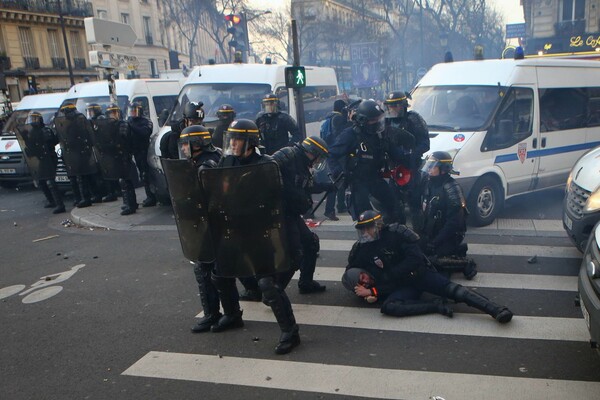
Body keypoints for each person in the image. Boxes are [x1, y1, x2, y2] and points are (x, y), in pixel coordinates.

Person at [211, 119, 301, 355]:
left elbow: (278, 201)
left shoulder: (266, 165)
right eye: (231, 139)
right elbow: (218, 192)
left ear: (251, 141)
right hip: (234, 229)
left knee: (267, 285)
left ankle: (290, 331)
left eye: (238, 139)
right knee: (220, 273)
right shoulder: (227, 160)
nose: (233, 144)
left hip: (259, 232)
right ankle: (232, 315)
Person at [342, 210, 512, 323]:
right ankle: (435, 305)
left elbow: (414, 259)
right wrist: (358, 284)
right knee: (389, 307)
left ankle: (495, 309)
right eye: (361, 230)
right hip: (401, 285)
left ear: (377, 226)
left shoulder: (396, 233)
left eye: (367, 229)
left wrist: (383, 281)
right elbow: (350, 270)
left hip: (419, 275)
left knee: (454, 291)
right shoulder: (363, 248)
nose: (364, 233)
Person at [177, 125, 223, 333]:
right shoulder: (211, 157)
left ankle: (212, 314)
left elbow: (207, 199)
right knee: (223, 268)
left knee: (204, 268)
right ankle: (249, 293)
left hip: (213, 224)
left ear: (197, 144)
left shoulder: (206, 166)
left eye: (186, 144)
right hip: (219, 224)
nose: (184, 148)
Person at [272, 136, 332, 293]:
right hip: (281, 213)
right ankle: (274, 292)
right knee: (295, 255)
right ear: (312, 152)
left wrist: (326, 186)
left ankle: (306, 283)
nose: (319, 162)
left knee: (310, 243)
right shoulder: (288, 154)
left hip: (292, 213)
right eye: (320, 157)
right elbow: (266, 170)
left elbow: (306, 185)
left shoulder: (305, 166)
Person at [328, 99, 399, 223]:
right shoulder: (350, 135)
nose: (377, 123)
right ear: (363, 121)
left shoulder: (380, 135)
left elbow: (394, 152)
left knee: (395, 210)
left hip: (375, 178)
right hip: (358, 182)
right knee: (366, 219)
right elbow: (331, 154)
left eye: (379, 119)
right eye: (374, 120)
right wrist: (338, 172)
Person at [420, 151, 477, 279]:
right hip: (432, 233)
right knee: (415, 253)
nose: (429, 169)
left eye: (433, 166)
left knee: (432, 261)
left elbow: (454, 223)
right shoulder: (429, 183)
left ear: (443, 169)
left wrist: (435, 242)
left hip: (448, 236)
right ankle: (456, 252)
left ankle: (464, 264)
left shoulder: (452, 188)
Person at [383, 91, 429, 231]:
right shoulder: (386, 121)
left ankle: (419, 236)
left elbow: (425, 143)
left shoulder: (413, 120)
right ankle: (399, 234)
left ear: (402, 106)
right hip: (393, 169)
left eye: (394, 105)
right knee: (393, 205)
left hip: (410, 168)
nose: (391, 109)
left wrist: (412, 154)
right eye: (389, 106)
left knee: (414, 204)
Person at [16, 111, 65, 214]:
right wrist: (25, 138)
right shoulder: (33, 132)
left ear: (40, 120)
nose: (32, 121)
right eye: (31, 119)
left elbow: (49, 142)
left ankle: (60, 205)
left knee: (51, 181)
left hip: (50, 158)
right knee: (42, 180)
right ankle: (51, 200)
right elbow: (32, 148)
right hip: (42, 158)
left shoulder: (45, 130)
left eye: (35, 119)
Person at [54, 102, 99, 208]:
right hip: (76, 152)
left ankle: (87, 198)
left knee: (83, 176)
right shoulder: (73, 120)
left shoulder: (79, 120)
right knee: (84, 176)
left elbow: (84, 136)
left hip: (80, 152)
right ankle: (91, 196)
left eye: (65, 112)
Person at [104, 103, 137, 215]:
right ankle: (128, 202)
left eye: (114, 113)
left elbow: (122, 139)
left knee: (126, 180)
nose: (113, 116)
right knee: (123, 180)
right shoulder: (110, 125)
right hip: (116, 156)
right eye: (111, 113)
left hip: (124, 154)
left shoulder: (123, 124)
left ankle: (131, 205)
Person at [321, 99, 351, 221]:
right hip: (337, 154)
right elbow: (341, 135)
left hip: (332, 152)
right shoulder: (338, 119)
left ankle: (341, 206)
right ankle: (329, 210)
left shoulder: (329, 118)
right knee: (336, 181)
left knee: (340, 179)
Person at [86, 103, 120, 203]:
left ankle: (111, 192)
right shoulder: (92, 121)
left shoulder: (101, 120)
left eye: (91, 111)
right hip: (98, 149)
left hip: (104, 150)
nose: (90, 114)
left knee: (106, 171)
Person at [128, 102, 156, 207]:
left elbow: (145, 133)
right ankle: (148, 195)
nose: (133, 113)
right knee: (141, 174)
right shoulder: (130, 121)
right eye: (132, 111)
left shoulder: (146, 121)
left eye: (135, 110)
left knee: (146, 174)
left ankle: (152, 196)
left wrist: (132, 126)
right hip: (135, 151)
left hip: (144, 151)